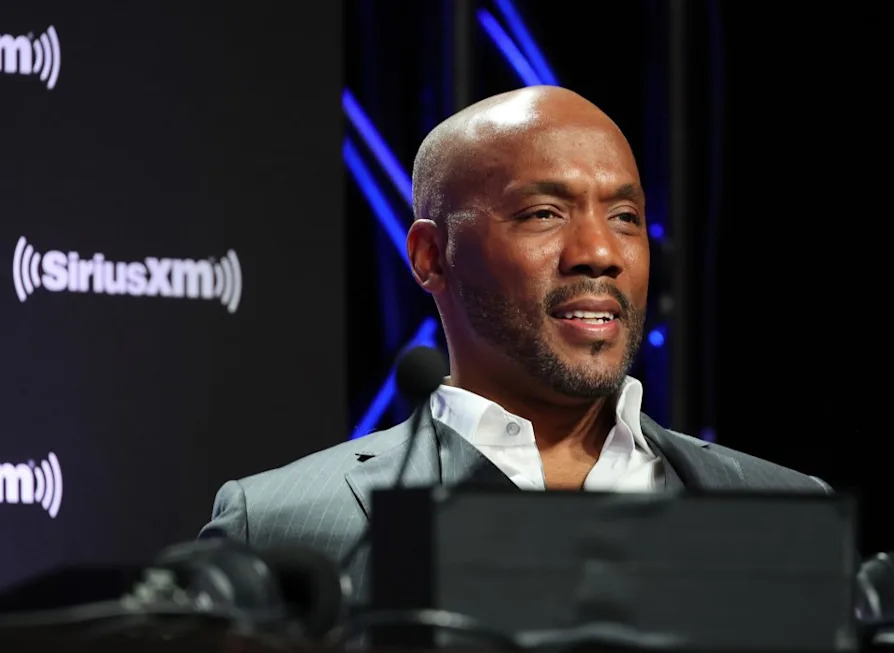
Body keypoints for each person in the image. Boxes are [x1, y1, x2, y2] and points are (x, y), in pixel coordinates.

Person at [198, 85, 830, 602]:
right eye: (544, 214)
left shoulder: (792, 512)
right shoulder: (278, 525)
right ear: (430, 256)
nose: (600, 253)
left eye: (625, 218)